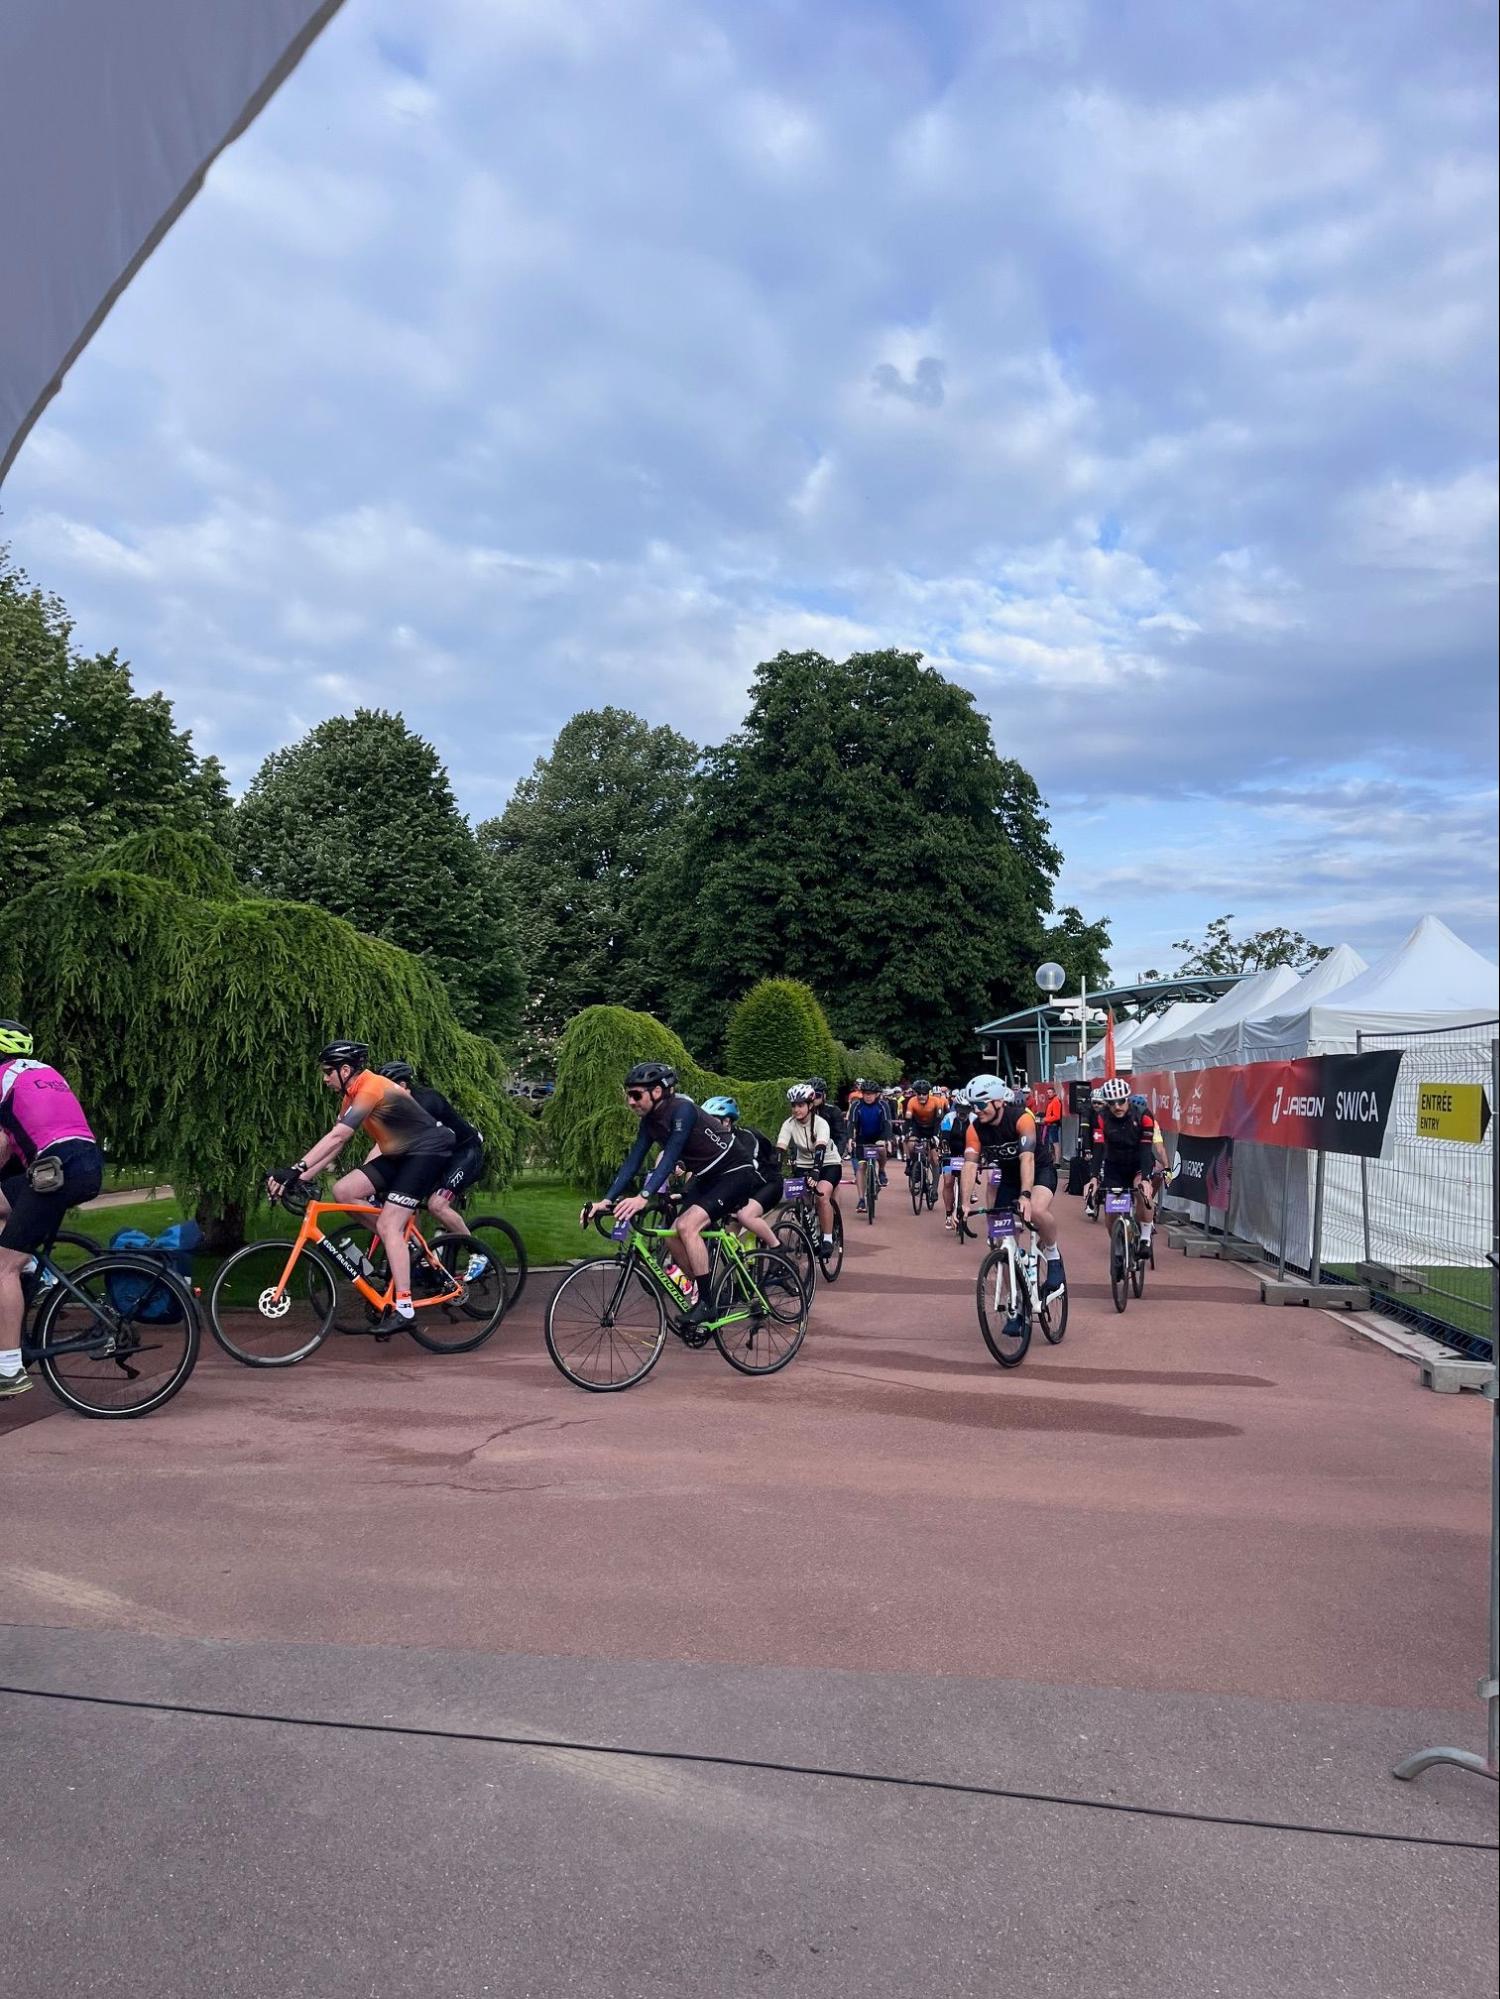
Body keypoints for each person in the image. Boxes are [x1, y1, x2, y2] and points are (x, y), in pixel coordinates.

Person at [267, 1042, 456, 1323]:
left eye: (329, 1071)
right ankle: (400, 1243)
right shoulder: (351, 1096)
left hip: (427, 1153)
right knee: (343, 1190)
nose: (325, 1078)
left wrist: (295, 1168)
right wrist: (299, 1177)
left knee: (388, 1225)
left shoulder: (370, 1087)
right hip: (400, 1154)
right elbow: (335, 1145)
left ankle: (405, 1309)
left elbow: (338, 1137)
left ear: (346, 1070)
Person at [582, 1064, 759, 1325]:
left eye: (636, 1095)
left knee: (688, 1227)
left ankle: (708, 1305)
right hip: (709, 1176)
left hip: (736, 1172)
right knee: (674, 1236)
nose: (630, 1102)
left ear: (656, 1092)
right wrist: (607, 1200)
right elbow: (633, 1161)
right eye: (627, 1095)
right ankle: (707, 1293)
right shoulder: (650, 1122)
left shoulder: (682, 1110)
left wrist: (644, 1195)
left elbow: (672, 1154)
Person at [0, 1022, 106, 1397]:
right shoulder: (43, 1073)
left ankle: (9, 1370)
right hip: (83, 1162)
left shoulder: (1, 1079)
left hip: (54, 1171)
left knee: (2, 1268)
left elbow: (3, 1147)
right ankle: (33, 1270)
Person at [960, 1073, 1066, 1298]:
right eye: (973, 1105)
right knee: (1003, 1244)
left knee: (1036, 1210)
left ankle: (1053, 1255)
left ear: (998, 1101)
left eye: (981, 1104)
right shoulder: (975, 1128)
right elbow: (969, 1166)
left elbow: (1026, 1158)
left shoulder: (1021, 1119)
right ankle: (1014, 1304)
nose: (977, 1110)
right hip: (1010, 1178)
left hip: (1039, 1172)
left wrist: (1025, 1195)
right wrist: (964, 1203)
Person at [374, 1062, 487, 1237]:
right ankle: (419, 1257)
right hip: (437, 1156)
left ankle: (477, 1252)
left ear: (402, 1086)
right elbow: (381, 1145)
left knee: (437, 1205)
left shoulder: (426, 1102)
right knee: (405, 1200)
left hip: (464, 1153)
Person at [701, 1095, 781, 1250]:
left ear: (727, 1121)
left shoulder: (745, 1138)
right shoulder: (713, 1141)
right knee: (730, 1244)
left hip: (767, 1182)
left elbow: (748, 1172)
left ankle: (778, 1248)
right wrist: (685, 1193)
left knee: (745, 1216)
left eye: (713, 1120)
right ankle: (741, 1266)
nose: (708, 1126)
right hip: (742, 1186)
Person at [1095, 1078, 1163, 1259]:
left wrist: (1147, 1179)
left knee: (1142, 1193)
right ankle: (1117, 1243)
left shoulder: (1143, 1115)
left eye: (1121, 1101)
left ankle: (1145, 1238)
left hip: (1138, 1163)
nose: (1117, 1106)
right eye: (1111, 1103)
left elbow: (1146, 1149)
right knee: (1110, 1209)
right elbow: (1098, 1149)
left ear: (1128, 1099)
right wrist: (1093, 1177)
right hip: (1114, 1165)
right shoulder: (1101, 1117)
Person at [778, 1084, 842, 1253]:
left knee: (822, 1196)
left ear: (810, 1105)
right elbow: (780, 1149)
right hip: (803, 1163)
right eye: (793, 1105)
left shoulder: (821, 1124)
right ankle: (808, 1231)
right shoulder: (789, 1124)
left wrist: (816, 1171)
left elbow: (820, 1148)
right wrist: (775, 1171)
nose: (796, 1109)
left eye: (800, 1105)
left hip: (828, 1163)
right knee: (800, 1199)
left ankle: (827, 1238)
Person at [806, 1077, 847, 1232]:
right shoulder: (802, 1111)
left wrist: (839, 1154)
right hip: (808, 1157)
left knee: (829, 1190)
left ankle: (834, 1220)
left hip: (830, 1156)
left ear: (824, 1096)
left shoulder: (833, 1112)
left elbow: (841, 1135)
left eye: (817, 1095)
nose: (813, 1098)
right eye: (810, 1095)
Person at [846, 1080, 892, 1212]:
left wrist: (887, 1139)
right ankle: (861, 1200)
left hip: (879, 1136)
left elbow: (887, 1123)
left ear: (877, 1094)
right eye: (865, 1094)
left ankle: (881, 1171)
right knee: (861, 1166)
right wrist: (850, 1138)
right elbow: (852, 1123)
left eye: (871, 1094)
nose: (868, 1096)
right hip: (862, 1137)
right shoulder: (857, 1105)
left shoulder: (883, 1105)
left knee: (881, 1149)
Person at [938, 1090, 974, 1231]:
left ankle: (973, 1189)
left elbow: (979, 1139)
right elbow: (945, 1137)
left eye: (966, 1109)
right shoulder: (948, 1118)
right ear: (956, 1107)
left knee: (972, 1168)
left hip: (969, 1152)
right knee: (948, 1181)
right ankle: (948, 1214)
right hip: (951, 1152)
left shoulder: (974, 1119)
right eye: (960, 1109)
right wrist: (945, 1150)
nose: (962, 1113)